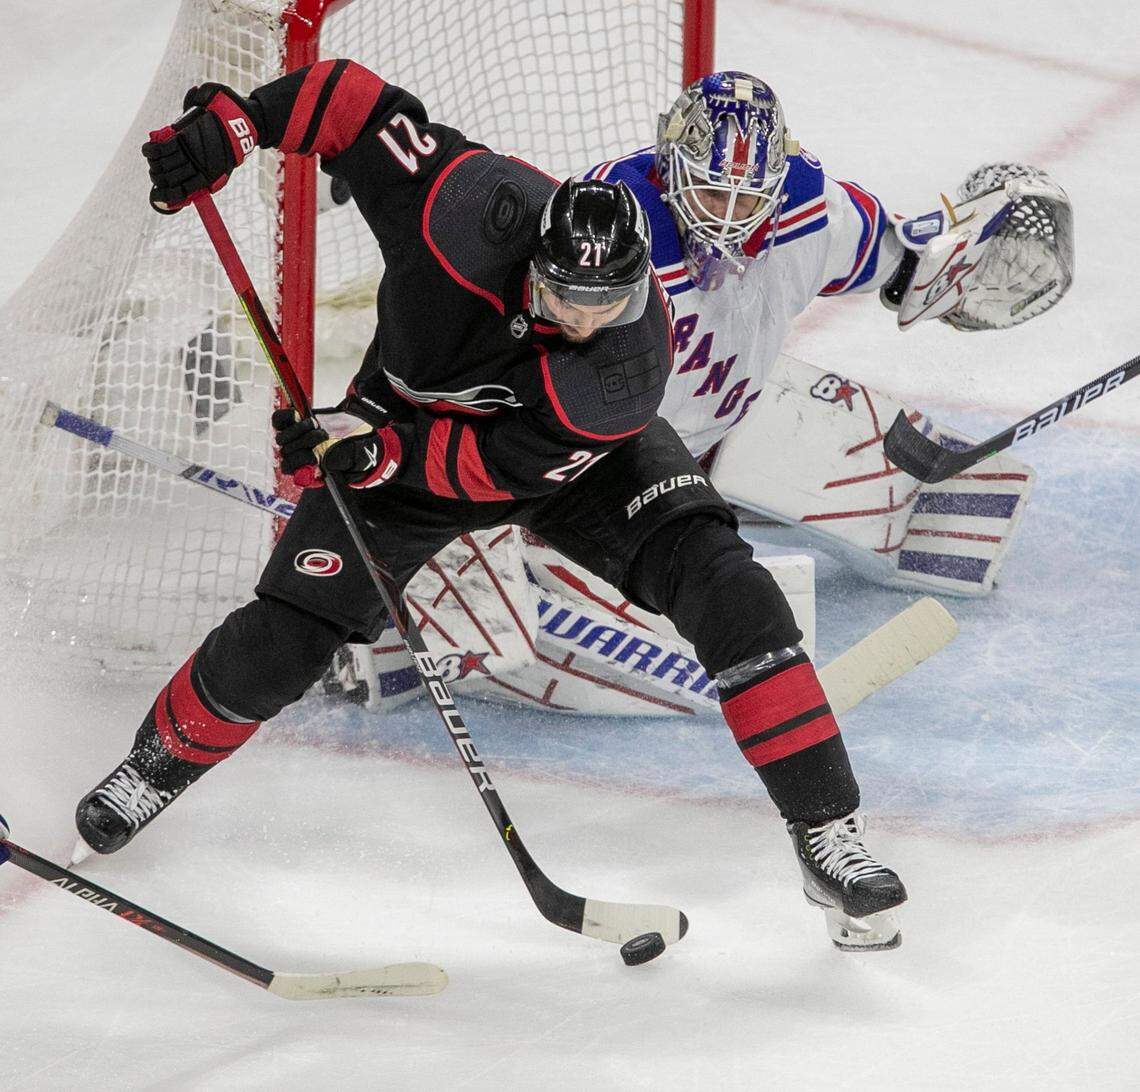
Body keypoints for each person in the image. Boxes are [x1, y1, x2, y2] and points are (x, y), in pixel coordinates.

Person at [75, 59, 907, 951]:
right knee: (287, 634)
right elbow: (350, 102)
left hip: (562, 463)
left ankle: (826, 832)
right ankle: (147, 772)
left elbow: (496, 474)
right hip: (401, 425)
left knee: (726, 586)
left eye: (610, 302)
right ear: (530, 263)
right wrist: (236, 128)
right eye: (564, 298)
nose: (586, 320)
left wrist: (374, 449)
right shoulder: (462, 206)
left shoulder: (626, 365)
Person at [583, 70, 1072, 598]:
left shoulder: (805, 208)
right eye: (709, 192)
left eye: (745, 200)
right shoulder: (610, 233)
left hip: (724, 429)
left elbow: (901, 263)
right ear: (671, 167)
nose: (724, 219)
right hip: (600, 468)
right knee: (722, 609)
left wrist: (966, 269)